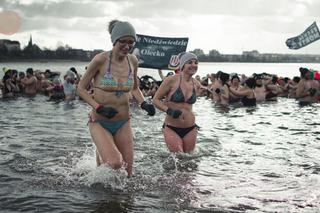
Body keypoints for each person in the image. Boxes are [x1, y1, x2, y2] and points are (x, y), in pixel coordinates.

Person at [77, 20, 155, 177]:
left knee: (128, 173)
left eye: (131, 43)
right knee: (115, 163)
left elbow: (134, 87)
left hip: (123, 121)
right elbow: (80, 89)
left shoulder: (132, 60)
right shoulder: (100, 60)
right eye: (123, 42)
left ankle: (113, 195)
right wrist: (99, 107)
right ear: (114, 40)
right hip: (99, 121)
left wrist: (143, 103)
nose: (127, 46)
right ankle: (101, 155)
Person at [152, 52, 202, 153]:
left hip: (191, 127)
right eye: (190, 62)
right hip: (172, 127)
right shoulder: (170, 80)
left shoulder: (196, 84)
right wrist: (169, 110)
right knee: (179, 157)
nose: (194, 65)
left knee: (189, 160)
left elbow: (188, 106)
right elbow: (155, 100)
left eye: (196, 63)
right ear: (182, 65)